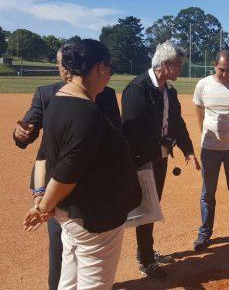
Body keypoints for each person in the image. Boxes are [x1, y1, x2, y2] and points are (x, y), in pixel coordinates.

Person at [23, 39, 141, 290]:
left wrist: (42, 201)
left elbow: (44, 156)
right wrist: (43, 206)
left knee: (70, 281)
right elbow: (67, 173)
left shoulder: (57, 101)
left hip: (73, 216)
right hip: (94, 218)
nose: (110, 74)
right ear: (99, 67)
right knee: (93, 285)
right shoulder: (87, 113)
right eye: (109, 68)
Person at [121, 40, 200, 281]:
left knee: (151, 208)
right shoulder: (137, 88)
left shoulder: (169, 90)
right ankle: (145, 261)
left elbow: (176, 122)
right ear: (164, 64)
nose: (181, 69)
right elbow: (130, 130)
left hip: (159, 159)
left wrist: (188, 150)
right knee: (143, 210)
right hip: (141, 160)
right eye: (178, 64)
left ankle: (146, 252)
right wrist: (136, 163)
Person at [191, 50, 229, 252]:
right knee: (207, 193)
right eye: (221, 70)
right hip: (210, 148)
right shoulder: (203, 85)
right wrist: (205, 134)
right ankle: (205, 233)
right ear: (213, 65)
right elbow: (199, 111)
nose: (225, 74)